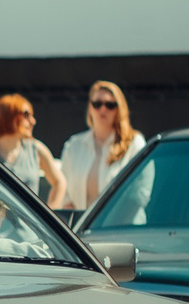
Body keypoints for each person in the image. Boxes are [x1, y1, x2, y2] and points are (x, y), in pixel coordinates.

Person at [58, 80, 145, 211]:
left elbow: (140, 195)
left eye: (110, 105)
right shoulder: (73, 146)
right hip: (80, 228)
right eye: (97, 104)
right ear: (90, 108)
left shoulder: (134, 144)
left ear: (118, 109)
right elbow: (65, 197)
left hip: (123, 226)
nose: (103, 109)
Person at [0, 94, 63, 203]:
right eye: (26, 115)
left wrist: (50, 214)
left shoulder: (35, 149)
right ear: (7, 116)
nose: (33, 121)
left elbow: (59, 182)